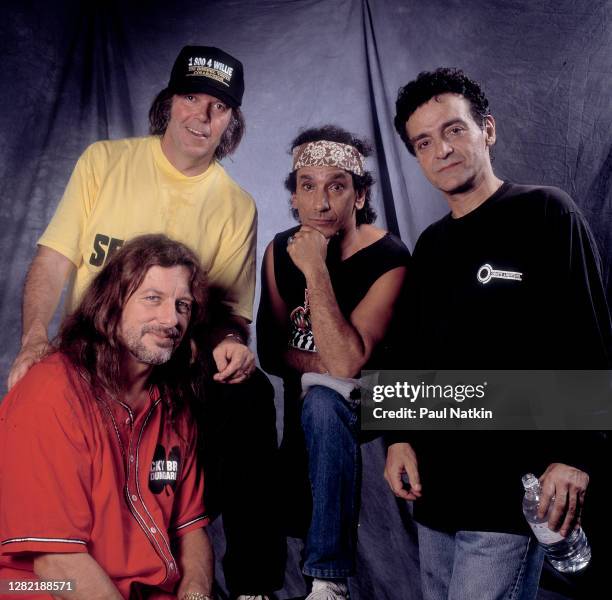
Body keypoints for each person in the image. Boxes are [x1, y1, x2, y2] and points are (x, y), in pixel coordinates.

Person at [6, 45, 283, 600]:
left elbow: (226, 317)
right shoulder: (104, 162)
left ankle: (254, 587)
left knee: (248, 397)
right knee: (72, 511)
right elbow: (54, 259)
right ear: (168, 102)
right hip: (89, 367)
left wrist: (230, 343)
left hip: (168, 376)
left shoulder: (235, 206)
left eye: (219, 108)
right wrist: (33, 339)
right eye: (191, 99)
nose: (201, 117)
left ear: (233, 122)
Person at [384, 68, 612, 599]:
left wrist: (577, 454)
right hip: (437, 492)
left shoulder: (546, 212)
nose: (441, 149)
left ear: (487, 129)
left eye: (453, 130)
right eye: (424, 142)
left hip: (510, 491)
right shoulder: (431, 246)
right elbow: (409, 348)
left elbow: (590, 337)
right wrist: (397, 435)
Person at [0, 234, 214, 599]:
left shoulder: (174, 405)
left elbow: (190, 527)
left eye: (183, 305)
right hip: (47, 586)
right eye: (153, 298)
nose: (171, 319)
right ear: (112, 305)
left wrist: (196, 594)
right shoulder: (51, 392)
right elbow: (55, 560)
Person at [257, 125, 410, 600]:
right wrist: (327, 359)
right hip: (308, 400)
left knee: (325, 395)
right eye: (308, 187)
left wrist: (316, 269)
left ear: (360, 195)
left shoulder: (390, 257)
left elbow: (348, 369)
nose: (321, 203)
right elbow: (270, 350)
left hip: (383, 397)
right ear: (295, 197)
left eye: (337, 186)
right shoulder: (278, 249)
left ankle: (328, 582)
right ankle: (257, 585)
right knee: (289, 479)